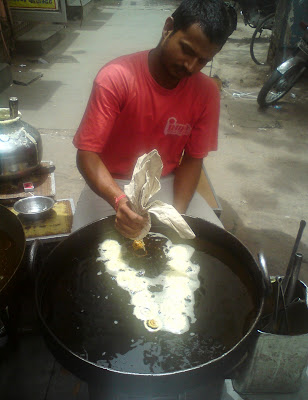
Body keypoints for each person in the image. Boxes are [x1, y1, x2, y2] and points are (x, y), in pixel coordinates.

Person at [72, 0, 230, 238]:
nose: (191, 65)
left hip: (167, 181)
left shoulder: (206, 93)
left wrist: (176, 214)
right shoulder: (116, 78)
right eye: (186, 50)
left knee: (210, 244)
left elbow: (193, 160)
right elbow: (87, 155)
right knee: (84, 252)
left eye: (203, 60)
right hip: (110, 183)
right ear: (168, 27)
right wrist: (119, 201)